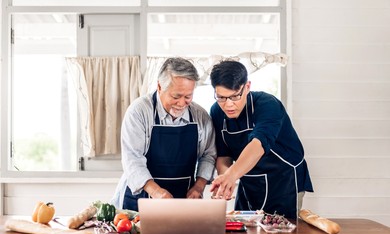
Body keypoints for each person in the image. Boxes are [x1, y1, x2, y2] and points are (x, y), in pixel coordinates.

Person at [209, 60, 313, 219]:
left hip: (284, 181)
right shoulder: (216, 111)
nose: (228, 105)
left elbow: (258, 145)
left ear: (247, 87)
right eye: (221, 97)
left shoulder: (267, 104)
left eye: (235, 96)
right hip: (248, 181)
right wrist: (225, 181)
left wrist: (231, 175)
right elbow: (224, 155)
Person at [111, 57, 217, 211]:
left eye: (188, 96)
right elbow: (132, 158)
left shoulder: (201, 116)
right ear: (160, 87)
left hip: (183, 198)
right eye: (176, 96)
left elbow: (208, 155)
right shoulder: (139, 112)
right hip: (139, 200)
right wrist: (156, 192)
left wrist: (199, 187)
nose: (182, 103)